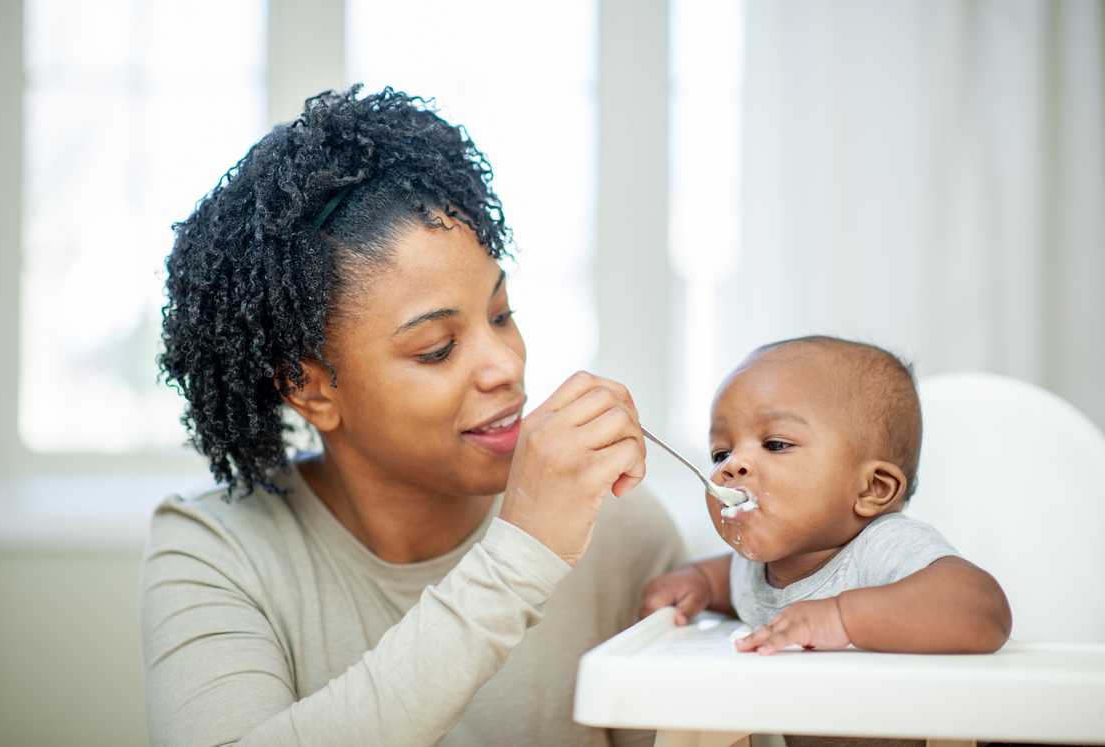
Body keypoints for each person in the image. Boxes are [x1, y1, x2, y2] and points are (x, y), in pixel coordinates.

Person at [143, 85, 685, 746]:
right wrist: (522, 555)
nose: (505, 365)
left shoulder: (618, 525)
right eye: (437, 348)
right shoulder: (217, 549)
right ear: (312, 390)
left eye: (501, 314)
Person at [640, 335, 1011, 655]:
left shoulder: (883, 548)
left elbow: (984, 609)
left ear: (872, 489)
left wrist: (842, 618)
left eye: (776, 444)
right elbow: (719, 578)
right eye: (721, 453)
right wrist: (694, 584)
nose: (731, 465)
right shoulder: (753, 570)